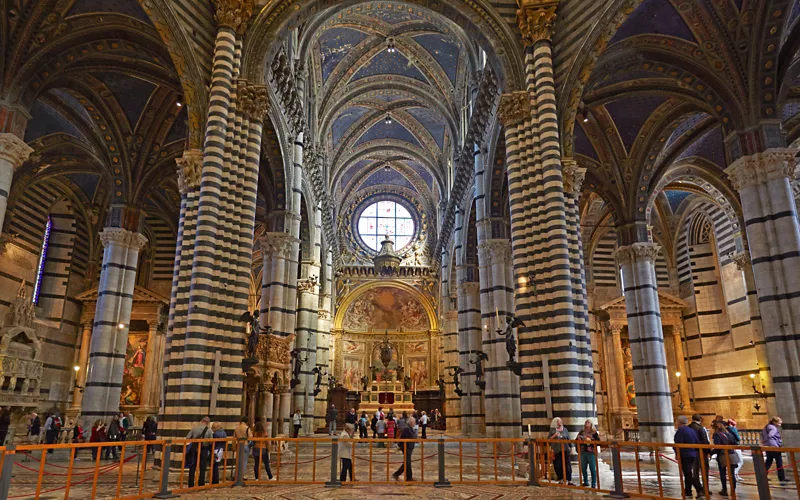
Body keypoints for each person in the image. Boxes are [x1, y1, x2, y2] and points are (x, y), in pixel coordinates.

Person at [674, 415, 704, 499]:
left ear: (679, 422)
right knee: (688, 473)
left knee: (688, 474)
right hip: (693, 454)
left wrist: (677, 454)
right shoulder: (691, 430)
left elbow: (677, 443)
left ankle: (699, 490)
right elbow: (697, 441)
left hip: (685, 454)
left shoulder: (681, 431)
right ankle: (687, 491)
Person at [712, 420, 739, 496]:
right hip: (732, 454)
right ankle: (733, 490)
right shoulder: (729, 433)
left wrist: (710, 453)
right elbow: (735, 443)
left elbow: (718, 447)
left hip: (723, 455)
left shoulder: (716, 434)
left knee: (723, 473)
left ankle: (724, 490)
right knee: (732, 474)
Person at [185, 417, 213, 488]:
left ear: (202, 421)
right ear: (208, 423)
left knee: (193, 466)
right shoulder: (209, 430)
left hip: (194, 449)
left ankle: (191, 484)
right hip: (204, 449)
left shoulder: (194, 428)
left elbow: (188, 437)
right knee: (202, 466)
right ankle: (201, 483)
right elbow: (211, 441)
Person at [762, 416, 788, 484]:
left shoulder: (766, 426)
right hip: (774, 446)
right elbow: (770, 436)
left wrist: (764, 442)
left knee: (768, 462)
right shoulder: (773, 428)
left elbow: (763, 436)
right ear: (774, 422)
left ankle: (763, 476)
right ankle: (781, 477)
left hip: (768, 446)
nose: (780, 425)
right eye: (779, 423)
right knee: (779, 462)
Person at [549, 417, 573, 485]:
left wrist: (571, 447)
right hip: (556, 449)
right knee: (558, 464)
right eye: (559, 421)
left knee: (567, 464)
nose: (561, 422)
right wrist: (554, 435)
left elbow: (568, 438)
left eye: (560, 421)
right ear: (556, 422)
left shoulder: (565, 429)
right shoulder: (552, 430)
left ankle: (569, 479)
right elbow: (548, 439)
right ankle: (561, 478)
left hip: (565, 449)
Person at [689, 414, 710, 490]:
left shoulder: (688, 427)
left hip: (691, 452)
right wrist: (708, 452)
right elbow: (705, 441)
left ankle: (698, 489)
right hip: (701, 452)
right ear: (700, 419)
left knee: (695, 471)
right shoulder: (701, 428)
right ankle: (705, 489)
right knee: (704, 471)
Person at [576, 420, 599, 488]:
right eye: (586, 422)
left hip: (591, 452)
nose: (587, 423)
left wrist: (590, 440)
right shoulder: (582, 432)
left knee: (592, 468)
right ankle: (585, 481)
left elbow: (598, 441)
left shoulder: (594, 432)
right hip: (583, 451)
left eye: (588, 422)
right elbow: (577, 439)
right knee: (583, 468)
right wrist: (579, 439)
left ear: (591, 424)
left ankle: (593, 483)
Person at [392, 417, 416, 481]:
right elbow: (404, 439)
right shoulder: (407, 428)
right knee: (407, 463)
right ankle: (408, 477)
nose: (415, 423)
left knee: (407, 463)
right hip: (406, 447)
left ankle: (407, 477)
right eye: (414, 422)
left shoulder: (409, 428)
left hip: (408, 447)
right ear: (411, 422)